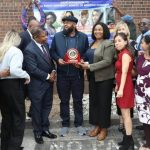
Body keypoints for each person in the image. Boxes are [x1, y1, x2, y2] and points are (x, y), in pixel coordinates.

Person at [50, 16, 89, 137]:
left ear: (74, 24)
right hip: (62, 74)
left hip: (77, 74)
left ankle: (79, 124)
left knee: (77, 100)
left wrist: (82, 60)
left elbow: (86, 52)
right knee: (64, 101)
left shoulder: (82, 37)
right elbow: (52, 51)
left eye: (68, 23)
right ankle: (65, 124)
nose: (65, 24)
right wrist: (58, 59)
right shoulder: (57, 36)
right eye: (64, 22)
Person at [79, 22, 115, 141]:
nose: (97, 31)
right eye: (95, 30)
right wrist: (81, 60)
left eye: (100, 29)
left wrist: (89, 67)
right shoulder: (93, 43)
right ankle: (97, 126)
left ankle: (104, 128)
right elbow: (88, 56)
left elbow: (107, 61)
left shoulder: (108, 43)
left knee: (104, 103)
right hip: (93, 78)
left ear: (104, 30)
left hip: (105, 78)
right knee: (94, 102)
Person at [24, 27, 57, 144]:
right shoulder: (29, 49)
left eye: (46, 35)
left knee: (47, 107)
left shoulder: (46, 45)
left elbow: (50, 62)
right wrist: (48, 76)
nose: (46, 38)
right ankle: (37, 132)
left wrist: (53, 71)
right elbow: (32, 69)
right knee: (37, 110)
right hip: (37, 86)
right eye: (44, 36)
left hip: (48, 84)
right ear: (36, 37)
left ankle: (45, 129)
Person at [0, 29, 30, 150]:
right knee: (18, 116)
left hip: (2, 86)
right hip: (13, 86)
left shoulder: (2, 50)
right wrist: (27, 75)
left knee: (6, 117)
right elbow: (14, 70)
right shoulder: (16, 51)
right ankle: (14, 146)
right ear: (16, 39)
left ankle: (5, 146)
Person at [114, 32, 134, 150]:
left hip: (125, 86)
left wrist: (121, 89)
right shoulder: (121, 54)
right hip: (121, 85)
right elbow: (120, 72)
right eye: (115, 41)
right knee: (124, 114)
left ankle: (130, 143)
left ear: (126, 42)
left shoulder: (125, 54)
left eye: (119, 41)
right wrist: (117, 86)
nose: (117, 43)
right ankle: (127, 139)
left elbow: (126, 73)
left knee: (126, 115)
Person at [135, 35, 150, 150]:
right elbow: (138, 71)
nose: (141, 44)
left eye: (143, 42)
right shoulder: (140, 57)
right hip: (140, 92)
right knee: (144, 116)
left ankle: (148, 144)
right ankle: (147, 138)